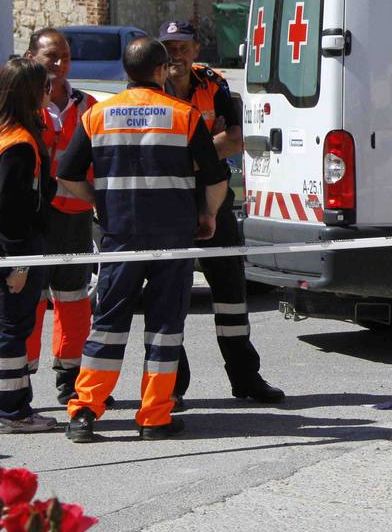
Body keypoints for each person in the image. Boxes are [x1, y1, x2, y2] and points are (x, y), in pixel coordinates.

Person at [58, 37, 229, 442]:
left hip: (120, 235)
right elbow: (215, 177)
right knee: (165, 326)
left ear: (126, 71)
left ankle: (84, 412)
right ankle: (154, 417)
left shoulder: (97, 115)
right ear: (160, 70)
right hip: (173, 235)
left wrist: (99, 202)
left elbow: (66, 175)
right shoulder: (184, 115)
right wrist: (208, 215)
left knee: (108, 324)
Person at [160, 21, 284, 406]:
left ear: (196, 49)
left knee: (231, 290)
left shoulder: (213, 83)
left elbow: (235, 139)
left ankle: (246, 378)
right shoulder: (151, 83)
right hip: (168, 202)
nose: (176, 54)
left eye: (183, 47)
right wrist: (202, 153)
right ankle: (171, 386)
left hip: (214, 196)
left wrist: (186, 157)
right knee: (169, 295)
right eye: (169, 47)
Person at [22, 29, 97, 403]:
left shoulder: (88, 105)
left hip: (75, 217)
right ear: (31, 57)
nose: (59, 64)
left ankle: (71, 378)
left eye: (65, 57)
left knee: (73, 298)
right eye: (51, 56)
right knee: (28, 299)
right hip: (32, 218)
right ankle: (18, 380)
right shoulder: (18, 105)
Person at [0, 59, 59, 433]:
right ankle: (13, 412)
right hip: (16, 250)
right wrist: (18, 264)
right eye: (45, 86)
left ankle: (14, 406)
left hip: (12, 247)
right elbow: (12, 210)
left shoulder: (8, 133)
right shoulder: (19, 144)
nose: (49, 93)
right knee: (12, 329)